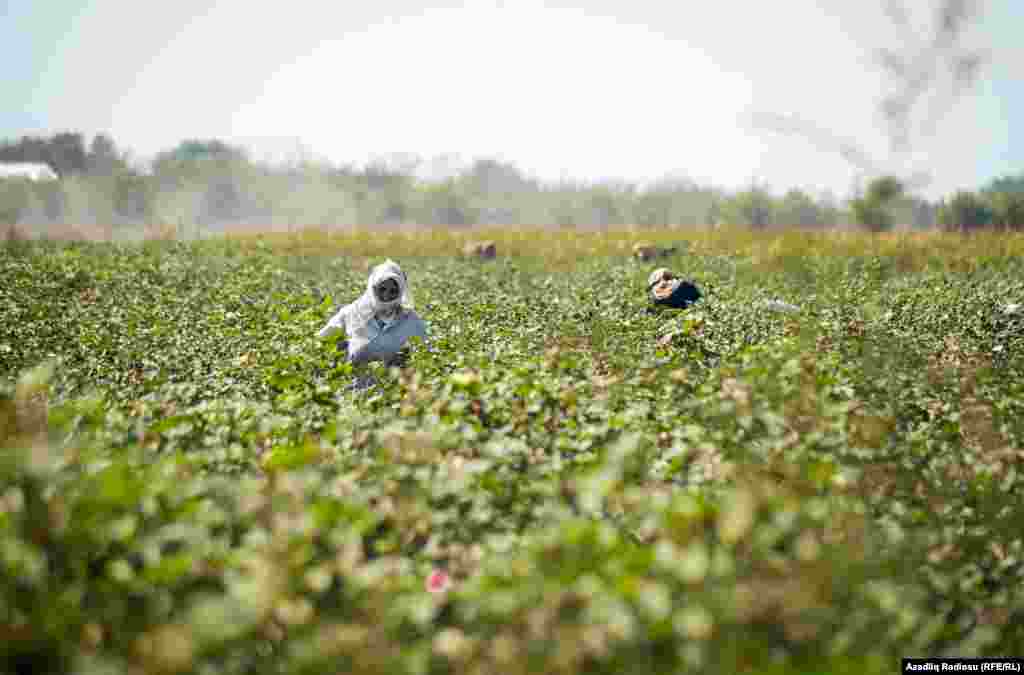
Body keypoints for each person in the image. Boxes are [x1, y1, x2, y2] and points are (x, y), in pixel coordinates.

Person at [317, 260, 429, 371]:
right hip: (355, 381)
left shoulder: (410, 320)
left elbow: (426, 353)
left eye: (393, 291)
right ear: (373, 287)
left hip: (396, 381)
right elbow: (321, 341)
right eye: (382, 289)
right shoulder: (352, 313)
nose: (386, 295)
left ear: (400, 292)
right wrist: (338, 354)